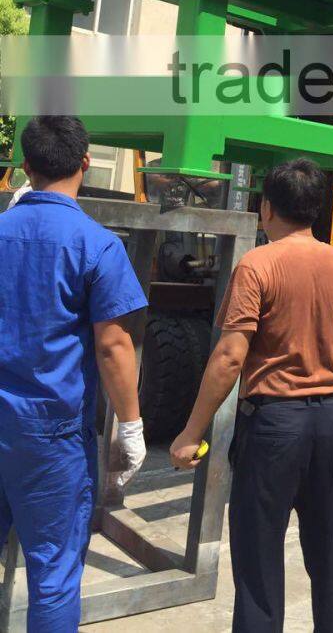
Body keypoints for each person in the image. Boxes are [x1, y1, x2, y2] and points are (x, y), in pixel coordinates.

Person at [170, 158, 333, 633]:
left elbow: (229, 357)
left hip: (274, 426)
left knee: (259, 563)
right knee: (328, 559)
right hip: (329, 422)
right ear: (316, 209)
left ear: (266, 208)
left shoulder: (258, 265)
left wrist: (190, 433)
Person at [0, 116, 149, 632]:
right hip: (51, 435)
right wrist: (131, 426)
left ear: (26, 166)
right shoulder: (97, 244)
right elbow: (113, 345)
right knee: (54, 573)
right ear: (85, 163)